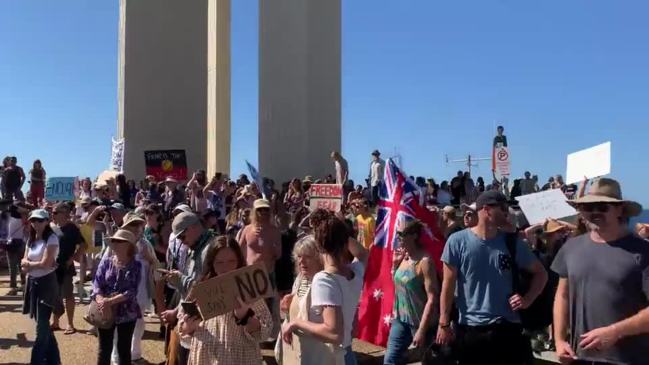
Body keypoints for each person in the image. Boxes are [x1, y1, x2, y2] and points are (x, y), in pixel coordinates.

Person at [436, 191, 548, 365]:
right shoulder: (457, 241)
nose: (507, 212)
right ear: (487, 210)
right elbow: (448, 286)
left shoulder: (512, 243)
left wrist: (527, 299)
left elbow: (541, 274)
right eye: (502, 208)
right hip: (471, 329)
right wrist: (443, 323)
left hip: (507, 328)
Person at [552, 178, 649, 365]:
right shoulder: (571, 247)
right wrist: (559, 339)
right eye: (588, 207)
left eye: (602, 206)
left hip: (629, 360)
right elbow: (562, 295)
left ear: (619, 210)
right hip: (578, 357)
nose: (594, 212)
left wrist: (615, 331)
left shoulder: (643, 252)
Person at [282, 209, 368, 365]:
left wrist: (296, 323)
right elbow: (362, 253)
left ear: (318, 246)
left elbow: (333, 333)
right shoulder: (355, 272)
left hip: (333, 357)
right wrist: (336, 228)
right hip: (346, 353)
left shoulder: (324, 279)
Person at [179, 236, 273, 364]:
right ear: (212, 263)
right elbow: (182, 326)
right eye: (219, 262)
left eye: (231, 261)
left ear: (239, 261)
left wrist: (245, 317)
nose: (225, 267)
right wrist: (188, 326)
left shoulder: (248, 288)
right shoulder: (200, 290)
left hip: (239, 358)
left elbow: (264, 331)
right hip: (205, 357)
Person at [160, 211, 215, 365]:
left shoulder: (210, 250)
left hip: (203, 325)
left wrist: (180, 279)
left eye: (182, 237)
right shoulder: (196, 248)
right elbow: (190, 293)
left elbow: (205, 289)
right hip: (189, 322)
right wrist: (177, 311)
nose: (182, 242)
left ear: (193, 228)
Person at [384, 220, 439, 365]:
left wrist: (421, 330)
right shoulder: (403, 256)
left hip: (421, 322)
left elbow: (432, 298)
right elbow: (399, 284)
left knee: (427, 361)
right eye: (397, 233)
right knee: (390, 359)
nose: (398, 237)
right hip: (401, 319)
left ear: (414, 236)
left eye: (402, 234)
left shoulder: (424, 261)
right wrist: (395, 265)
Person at [93, 229, 142, 365]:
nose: (114, 244)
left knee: (124, 350)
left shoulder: (136, 265)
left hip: (127, 312)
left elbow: (132, 291)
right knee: (104, 349)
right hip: (105, 310)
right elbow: (97, 283)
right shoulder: (106, 262)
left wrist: (110, 301)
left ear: (129, 245)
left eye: (118, 242)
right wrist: (101, 300)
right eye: (113, 241)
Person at [21, 208, 62, 365]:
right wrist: (33, 266)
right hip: (33, 283)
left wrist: (30, 265)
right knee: (43, 327)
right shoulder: (31, 240)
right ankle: (54, 361)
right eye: (33, 220)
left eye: (39, 220)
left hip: (47, 284)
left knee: (42, 329)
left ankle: (36, 361)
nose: (36, 223)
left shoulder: (51, 238)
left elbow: (46, 264)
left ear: (46, 221)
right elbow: (24, 264)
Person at [279, 235, 325, 364]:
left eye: (308, 257)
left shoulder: (324, 284)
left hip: (319, 353)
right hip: (298, 349)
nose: (302, 261)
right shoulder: (300, 279)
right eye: (299, 256)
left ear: (319, 258)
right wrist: (287, 307)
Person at [50, 202, 85, 335]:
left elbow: (83, 245)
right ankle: (56, 322)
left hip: (65, 267)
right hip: (52, 267)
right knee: (54, 295)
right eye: (52, 212)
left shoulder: (72, 228)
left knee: (68, 295)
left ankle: (70, 324)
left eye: (55, 212)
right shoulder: (52, 227)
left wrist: (72, 258)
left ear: (64, 214)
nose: (52, 215)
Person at [5, 204, 27, 295]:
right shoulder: (22, 220)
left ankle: (13, 286)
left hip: (10, 244)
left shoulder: (8, 220)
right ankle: (23, 284)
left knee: (12, 267)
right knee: (21, 265)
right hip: (21, 243)